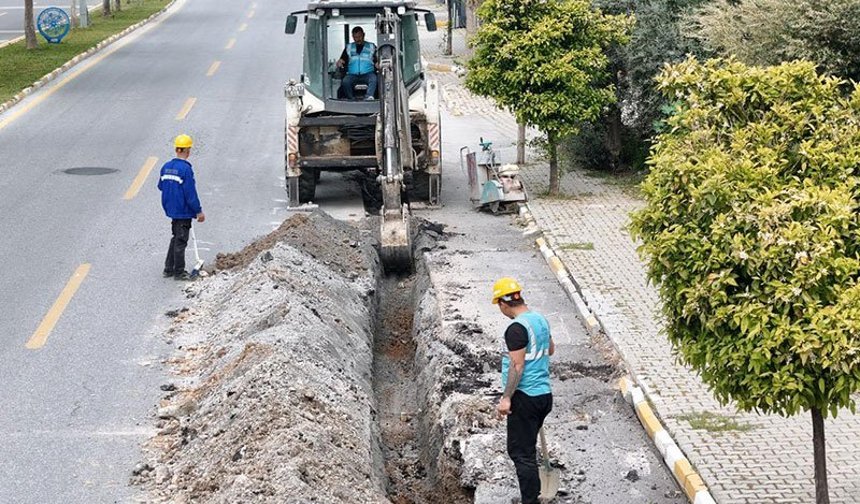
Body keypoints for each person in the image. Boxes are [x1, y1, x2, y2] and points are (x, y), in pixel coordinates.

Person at [492, 277, 554, 504]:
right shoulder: (540, 320)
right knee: (526, 447)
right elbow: (551, 349)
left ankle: (530, 500)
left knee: (520, 452)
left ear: (503, 303)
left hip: (525, 398)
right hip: (544, 396)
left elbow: (517, 366)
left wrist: (506, 398)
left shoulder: (516, 328)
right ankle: (534, 493)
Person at [158, 134, 205, 281]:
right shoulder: (185, 169)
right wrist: (198, 211)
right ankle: (179, 272)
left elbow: (160, 186)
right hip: (183, 210)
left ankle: (168, 268)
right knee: (181, 240)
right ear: (188, 151)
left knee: (175, 237)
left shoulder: (166, 166)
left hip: (170, 209)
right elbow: (190, 193)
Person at [336, 26, 377, 100]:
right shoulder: (349, 47)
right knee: (345, 81)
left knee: (374, 79)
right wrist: (340, 62)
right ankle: (351, 98)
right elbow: (343, 59)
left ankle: (369, 97)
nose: (357, 39)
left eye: (359, 36)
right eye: (355, 37)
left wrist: (378, 64)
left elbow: (377, 59)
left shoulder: (372, 46)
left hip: (368, 73)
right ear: (352, 37)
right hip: (352, 74)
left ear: (363, 35)